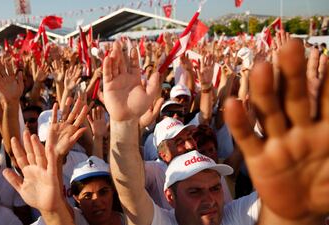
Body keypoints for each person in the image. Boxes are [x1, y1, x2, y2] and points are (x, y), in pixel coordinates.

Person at [101, 40, 328, 225]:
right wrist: (125, 122)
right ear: (170, 197)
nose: (210, 199)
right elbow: (129, 188)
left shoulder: (235, 215)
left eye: (216, 188)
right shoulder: (163, 221)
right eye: (195, 192)